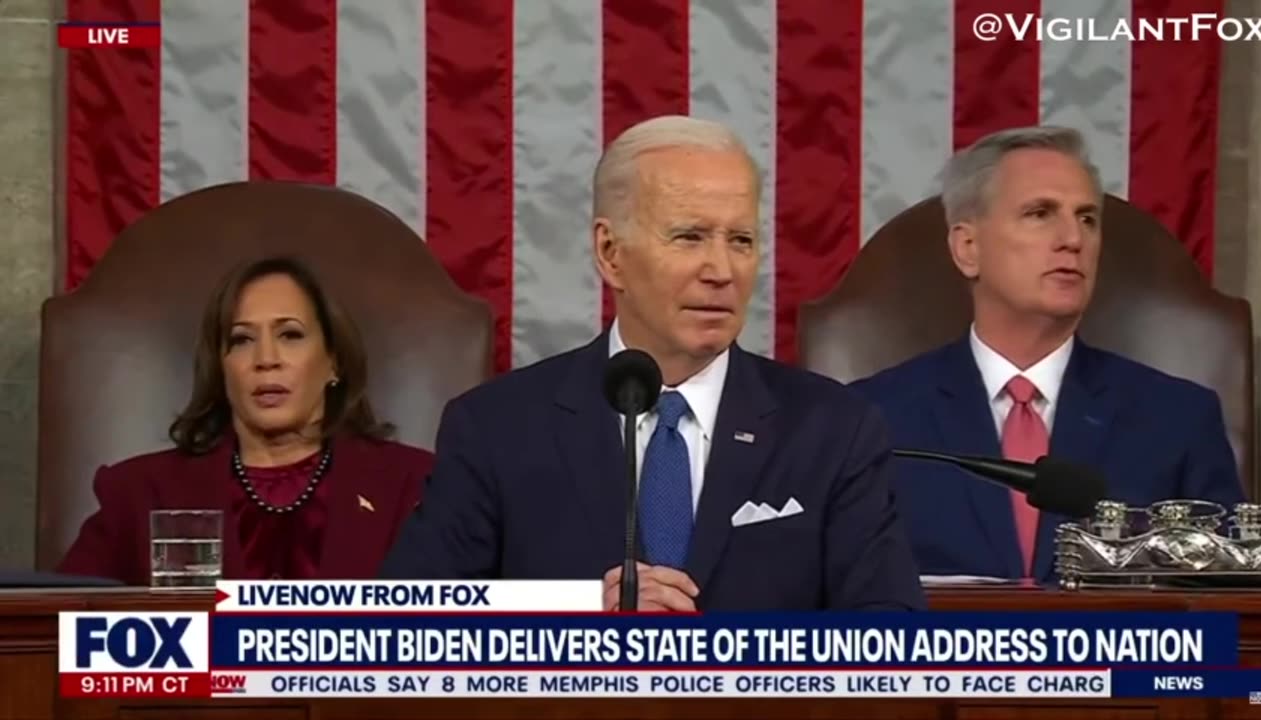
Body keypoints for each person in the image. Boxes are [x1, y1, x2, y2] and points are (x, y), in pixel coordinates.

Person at [382, 115, 924, 611]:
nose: (721, 270)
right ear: (611, 253)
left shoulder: (833, 429)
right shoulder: (496, 428)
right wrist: (579, 617)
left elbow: (891, 636)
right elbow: (414, 626)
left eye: (741, 240)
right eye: (689, 237)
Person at [850, 126, 1245, 583]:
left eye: (1087, 218)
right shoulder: (871, 420)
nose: (1072, 239)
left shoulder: (1178, 419)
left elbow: (1227, 610)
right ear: (968, 248)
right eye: (1040, 213)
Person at [59, 256, 433, 584]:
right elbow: (57, 632)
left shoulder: (413, 487)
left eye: (290, 335)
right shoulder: (140, 494)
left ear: (333, 361)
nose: (266, 358)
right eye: (241, 340)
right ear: (222, 368)